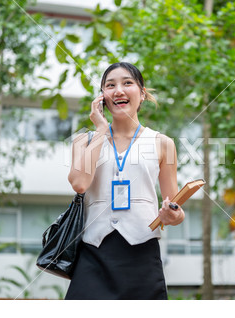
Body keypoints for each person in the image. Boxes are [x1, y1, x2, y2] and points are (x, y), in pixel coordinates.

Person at [65, 62, 185, 300]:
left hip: (142, 254)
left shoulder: (163, 143)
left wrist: (172, 215)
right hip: (93, 253)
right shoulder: (84, 140)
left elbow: (176, 207)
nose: (118, 90)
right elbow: (79, 183)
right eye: (110, 85)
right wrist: (100, 129)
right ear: (102, 98)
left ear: (141, 94)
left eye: (127, 83)